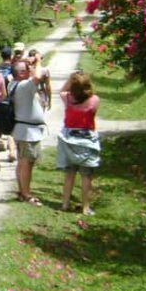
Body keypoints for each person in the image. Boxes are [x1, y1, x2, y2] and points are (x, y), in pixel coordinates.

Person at [57, 72, 101, 215]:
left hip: (69, 139)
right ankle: (86, 206)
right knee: (86, 175)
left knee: (70, 173)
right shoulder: (94, 100)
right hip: (87, 140)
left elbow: (62, 91)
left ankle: (65, 204)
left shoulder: (68, 99)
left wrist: (70, 80)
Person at [10, 55, 47, 205]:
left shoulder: (14, 84)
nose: (30, 70)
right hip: (28, 131)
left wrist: (28, 64)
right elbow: (38, 77)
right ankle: (26, 193)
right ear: (21, 73)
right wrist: (38, 61)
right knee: (26, 163)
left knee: (24, 162)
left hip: (24, 129)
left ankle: (22, 190)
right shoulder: (24, 86)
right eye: (27, 69)